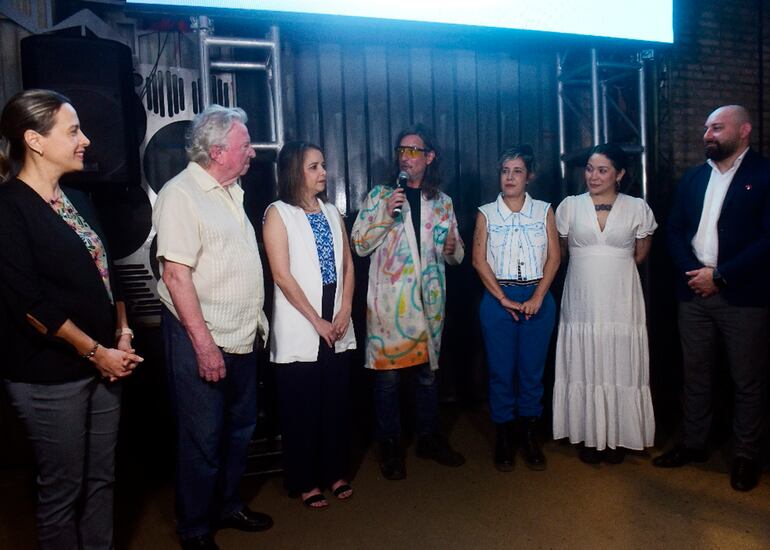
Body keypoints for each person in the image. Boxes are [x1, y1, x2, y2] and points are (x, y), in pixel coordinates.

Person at [0, 89, 143, 549]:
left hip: (104, 364)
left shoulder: (79, 199)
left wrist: (121, 333)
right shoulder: (9, 207)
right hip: (49, 375)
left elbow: (109, 275)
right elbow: (31, 305)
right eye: (73, 130)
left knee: (102, 480)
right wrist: (96, 352)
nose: (86, 139)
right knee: (62, 491)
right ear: (34, 140)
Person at [153, 105, 272, 549]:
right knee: (201, 439)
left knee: (239, 432)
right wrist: (204, 348)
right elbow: (176, 276)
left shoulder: (230, 191)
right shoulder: (180, 194)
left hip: (241, 338)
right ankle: (195, 528)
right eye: (245, 145)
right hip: (202, 340)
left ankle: (227, 505)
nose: (252, 154)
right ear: (218, 151)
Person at [655, 105, 770, 492]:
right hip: (693, 292)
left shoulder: (764, 174)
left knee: (747, 380)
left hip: (744, 296)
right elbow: (673, 231)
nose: (708, 135)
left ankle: (745, 456)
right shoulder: (692, 179)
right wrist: (695, 273)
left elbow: (767, 240)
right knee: (696, 375)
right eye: (706, 128)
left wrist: (720, 276)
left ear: (744, 130)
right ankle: (693, 444)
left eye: (717, 128)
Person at [351, 123, 464, 480]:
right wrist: (386, 215)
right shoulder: (380, 196)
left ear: (429, 157)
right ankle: (390, 445)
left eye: (414, 150)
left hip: (428, 302)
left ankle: (429, 437)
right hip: (390, 306)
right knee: (388, 381)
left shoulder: (442, 202)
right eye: (402, 149)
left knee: (427, 377)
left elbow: (455, 253)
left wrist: (452, 249)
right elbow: (359, 244)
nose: (406, 156)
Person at [263, 141, 356, 509]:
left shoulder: (333, 211)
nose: (323, 173)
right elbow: (282, 276)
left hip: (335, 315)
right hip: (302, 319)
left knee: (334, 402)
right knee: (302, 406)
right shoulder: (277, 213)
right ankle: (304, 480)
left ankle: (334, 471)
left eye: (323, 165)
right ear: (294, 172)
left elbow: (348, 263)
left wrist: (345, 307)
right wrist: (315, 319)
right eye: (314, 167)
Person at [552, 143, 657, 465]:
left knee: (619, 359)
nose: (593, 176)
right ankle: (588, 434)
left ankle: (619, 436)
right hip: (582, 296)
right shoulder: (569, 206)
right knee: (585, 357)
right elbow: (563, 251)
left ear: (620, 174)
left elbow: (640, 254)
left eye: (602, 170)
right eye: (589, 169)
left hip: (621, 298)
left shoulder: (638, 208)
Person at [472, 145, 560, 472]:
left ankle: (529, 435)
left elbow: (554, 257)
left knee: (532, 371)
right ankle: (504, 437)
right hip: (499, 299)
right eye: (505, 171)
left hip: (538, 295)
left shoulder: (544, 211)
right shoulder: (486, 213)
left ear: (529, 176)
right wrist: (503, 299)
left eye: (517, 171)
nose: (509, 177)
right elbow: (478, 261)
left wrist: (538, 297)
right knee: (500, 370)